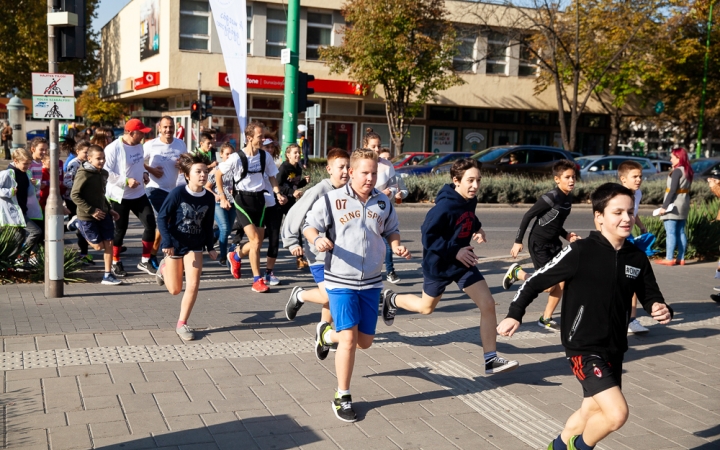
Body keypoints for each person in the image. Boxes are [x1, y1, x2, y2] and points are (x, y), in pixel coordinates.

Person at [497, 182, 674, 450]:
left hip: (615, 347)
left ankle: (557, 446)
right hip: (583, 346)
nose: (626, 218)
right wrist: (515, 314)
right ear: (599, 216)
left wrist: (661, 308)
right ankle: (577, 448)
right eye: (617, 212)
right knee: (617, 415)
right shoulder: (580, 252)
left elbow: (651, 296)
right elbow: (534, 282)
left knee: (591, 409)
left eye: (629, 212)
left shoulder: (636, 257)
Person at [380, 158, 519, 375]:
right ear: (456, 180)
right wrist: (454, 250)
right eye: (470, 180)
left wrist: (478, 229)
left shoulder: (469, 199)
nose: (475, 185)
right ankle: (392, 299)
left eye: (478, 180)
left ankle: (490, 359)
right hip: (439, 264)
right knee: (426, 308)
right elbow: (428, 236)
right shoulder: (444, 206)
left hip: (463, 263)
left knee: (488, 303)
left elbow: (468, 217)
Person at [306, 148, 410, 422]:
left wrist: (396, 245)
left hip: (372, 282)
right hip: (340, 280)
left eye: (374, 173)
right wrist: (317, 240)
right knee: (350, 340)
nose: (370, 178)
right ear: (351, 172)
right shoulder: (331, 200)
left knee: (365, 342)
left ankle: (326, 336)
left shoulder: (383, 203)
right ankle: (343, 395)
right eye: (364, 172)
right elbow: (309, 226)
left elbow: (391, 229)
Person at [502, 159, 581, 331]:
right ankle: (518, 272)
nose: (571, 180)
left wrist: (566, 234)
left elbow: (555, 222)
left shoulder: (568, 198)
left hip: (554, 243)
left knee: (563, 280)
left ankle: (546, 318)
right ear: (557, 179)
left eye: (573, 177)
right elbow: (528, 216)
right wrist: (518, 241)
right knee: (548, 285)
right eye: (567, 177)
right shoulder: (550, 197)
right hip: (539, 244)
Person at [214, 120, 287, 292]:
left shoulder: (265, 156)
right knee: (255, 241)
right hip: (242, 201)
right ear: (249, 138)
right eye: (260, 137)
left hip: (259, 201)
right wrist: (223, 197)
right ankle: (257, 280)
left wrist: (278, 193)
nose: (263, 140)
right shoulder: (236, 158)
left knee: (258, 242)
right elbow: (218, 174)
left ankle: (236, 255)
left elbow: (272, 177)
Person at [283, 148, 350, 323]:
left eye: (347, 167)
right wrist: (291, 242)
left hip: (340, 255)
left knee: (333, 294)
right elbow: (295, 213)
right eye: (340, 167)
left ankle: (324, 332)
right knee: (329, 295)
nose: (345, 171)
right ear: (329, 169)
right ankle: (300, 295)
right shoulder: (319, 190)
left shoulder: (351, 192)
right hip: (318, 254)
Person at [155, 153, 217, 341]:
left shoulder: (208, 197)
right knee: (174, 290)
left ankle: (182, 323)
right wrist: (166, 242)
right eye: (198, 171)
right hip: (175, 244)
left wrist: (210, 246)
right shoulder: (178, 193)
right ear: (187, 175)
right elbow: (162, 217)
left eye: (205, 171)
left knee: (193, 285)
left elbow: (207, 224)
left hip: (195, 245)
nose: (203, 175)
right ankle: (164, 267)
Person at [104, 118, 157, 277]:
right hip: (120, 196)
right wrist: (126, 181)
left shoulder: (139, 146)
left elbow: (138, 165)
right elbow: (105, 172)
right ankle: (115, 262)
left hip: (139, 193)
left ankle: (145, 260)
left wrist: (144, 174)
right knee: (120, 230)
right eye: (140, 133)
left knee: (150, 224)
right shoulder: (113, 148)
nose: (143, 136)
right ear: (130, 133)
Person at [71, 145, 122, 286]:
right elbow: (74, 195)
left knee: (109, 244)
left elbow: (101, 194)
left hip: (103, 213)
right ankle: (77, 224)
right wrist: (91, 210)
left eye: (103, 158)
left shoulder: (103, 173)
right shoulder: (83, 174)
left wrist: (109, 209)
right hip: (87, 216)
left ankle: (107, 275)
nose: (102, 161)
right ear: (89, 159)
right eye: (98, 159)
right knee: (98, 247)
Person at [144, 116, 188, 271]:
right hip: (155, 188)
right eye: (165, 127)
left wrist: (182, 165)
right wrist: (151, 170)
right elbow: (139, 163)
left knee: (169, 224)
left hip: (173, 189)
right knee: (167, 221)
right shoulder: (151, 145)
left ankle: (151, 256)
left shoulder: (180, 144)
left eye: (171, 127)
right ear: (159, 129)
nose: (168, 130)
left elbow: (186, 162)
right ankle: (169, 259)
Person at [363, 128, 405, 283]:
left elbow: (395, 186)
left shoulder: (387, 165)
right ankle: (367, 274)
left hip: (383, 207)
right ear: (365, 146)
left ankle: (390, 271)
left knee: (386, 239)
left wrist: (390, 192)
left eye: (379, 146)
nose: (377, 149)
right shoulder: (360, 163)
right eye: (373, 146)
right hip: (366, 208)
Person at [617, 160, 650, 334]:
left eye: (640, 176)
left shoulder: (637, 194)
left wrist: (642, 226)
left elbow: (633, 214)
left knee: (633, 276)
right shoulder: (616, 195)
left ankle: (632, 319)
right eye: (634, 177)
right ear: (623, 179)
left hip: (628, 239)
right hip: (614, 241)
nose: (638, 180)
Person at [655, 148, 693, 266]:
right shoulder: (687, 170)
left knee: (670, 232)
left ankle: (669, 258)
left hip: (673, 204)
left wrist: (664, 207)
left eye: (672, 157)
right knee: (681, 232)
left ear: (679, 158)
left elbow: (672, 191)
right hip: (684, 203)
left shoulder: (677, 171)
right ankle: (681, 258)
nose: (670, 159)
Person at [7, 148, 43, 255]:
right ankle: (21, 256)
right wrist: (9, 191)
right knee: (36, 231)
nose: (27, 166)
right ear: (16, 161)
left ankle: (15, 261)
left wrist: (34, 184)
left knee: (19, 238)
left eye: (29, 164)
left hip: (23, 209)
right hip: (14, 212)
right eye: (25, 164)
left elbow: (30, 193)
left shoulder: (26, 172)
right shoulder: (9, 173)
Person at [206, 143, 236, 266]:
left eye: (231, 154)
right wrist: (216, 195)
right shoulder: (217, 170)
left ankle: (213, 235)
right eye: (227, 154)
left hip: (233, 202)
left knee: (228, 229)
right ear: (221, 155)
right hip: (218, 202)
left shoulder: (236, 169)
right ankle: (223, 256)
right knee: (225, 228)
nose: (229, 156)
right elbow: (207, 187)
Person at [64, 140, 93, 265]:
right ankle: (83, 254)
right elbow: (66, 182)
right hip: (73, 199)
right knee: (81, 225)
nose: (87, 155)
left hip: (84, 198)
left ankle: (84, 253)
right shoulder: (74, 164)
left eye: (88, 152)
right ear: (77, 152)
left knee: (83, 225)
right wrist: (80, 187)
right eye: (85, 152)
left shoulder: (87, 163)